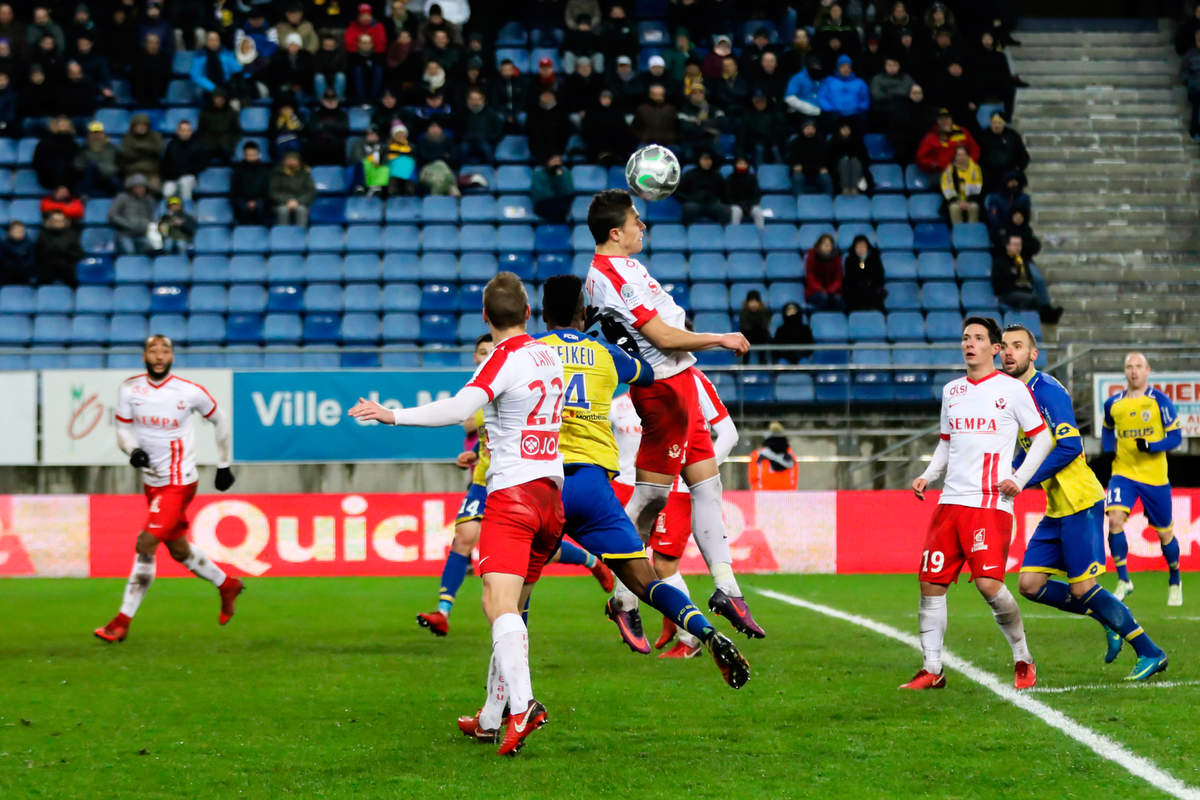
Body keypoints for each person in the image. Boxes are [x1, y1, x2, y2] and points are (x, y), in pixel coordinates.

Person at [348, 273, 564, 757]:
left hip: (513, 495)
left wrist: (393, 415)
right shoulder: (549, 354)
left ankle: (523, 706)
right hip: (553, 492)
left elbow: (461, 407)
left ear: (485, 318)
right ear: (528, 314)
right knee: (514, 609)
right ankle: (492, 717)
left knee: (497, 606)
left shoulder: (502, 358)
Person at [538, 277, 749, 673]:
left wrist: (396, 415)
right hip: (599, 486)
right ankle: (702, 631)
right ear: (583, 314)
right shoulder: (605, 359)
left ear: (541, 313)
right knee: (646, 573)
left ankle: (504, 703)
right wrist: (621, 340)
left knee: (511, 592)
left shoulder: (526, 352)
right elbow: (648, 374)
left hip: (543, 481)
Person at [584, 189, 764, 639]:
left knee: (708, 485)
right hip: (662, 389)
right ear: (615, 232)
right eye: (635, 221)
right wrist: (719, 338)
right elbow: (663, 337)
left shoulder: (624, 266)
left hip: (679, 382)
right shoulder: (610, 274)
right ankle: (625, 598)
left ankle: (726, 588)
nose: (642, 226)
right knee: (650, 499)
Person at [415, 333, 614, 638]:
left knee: (531, 554)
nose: (485, 356)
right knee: (463, 538)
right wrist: (471, 455)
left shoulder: (514, 381)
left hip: (519, 482)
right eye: (480, 352)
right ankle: (443, 612)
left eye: (489, 351)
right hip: (483, 481)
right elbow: (475, 432)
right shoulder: (477, 392)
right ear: (474, 356)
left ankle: (589, 561)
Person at [1001, 328, 1170, 682]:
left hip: (1080, 500)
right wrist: (1008, 469)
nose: (1008, 353)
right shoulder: (1016, 395)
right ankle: (1105, 618)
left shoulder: (1046, 391)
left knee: (1083, 588)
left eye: (1018, 346)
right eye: (1004, 347)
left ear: (1034, 354)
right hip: (1056, 506)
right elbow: (1029, 447)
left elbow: (1069, 447)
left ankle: (1150, 651)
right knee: (1030, 584)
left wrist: (1022, 479)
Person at [903, 316, 1053, 691]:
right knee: (930, 585)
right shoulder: (952, 391)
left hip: (989, 503)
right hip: (950, 502)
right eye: (965, 338)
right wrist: (929, 475)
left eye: (978, 338)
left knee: (988, 584)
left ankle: (1023, 657)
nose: (969, 344)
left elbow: (1043, 439)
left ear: (995, 348)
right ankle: (932, 668)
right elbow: (946, 442)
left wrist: (1018, 480)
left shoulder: (1012, 390)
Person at [94, 335, 241, 644]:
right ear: (144, 356)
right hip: (153, 483)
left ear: (172, 356)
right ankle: (226, 583)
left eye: (165, 350)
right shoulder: (129, 389)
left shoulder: (188, 392)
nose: (159, 355)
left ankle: (120, 622)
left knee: (145, 542)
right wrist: (132, 450)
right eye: (152, 350)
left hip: (180, 482)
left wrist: (224, 464)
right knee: (178, 550)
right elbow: (122, 428)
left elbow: (220, 419)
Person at [1103, 352, 1184, 606]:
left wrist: (1151, 445)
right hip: (1123, 474)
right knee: (1114, 519)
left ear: (1147, 370)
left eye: (1138, 366)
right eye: (1129, 366)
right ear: (1124, 371)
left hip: (1154, 478)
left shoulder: (1159, 401)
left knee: (1165, 534)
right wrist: (1109, 449)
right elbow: (1107, 427)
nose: (1134, 371)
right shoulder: (1113, 403)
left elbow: (1176, 437)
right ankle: (1124, 580)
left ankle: (1175, 579)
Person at [992, 234, 1062, 323]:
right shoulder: (1000, 262)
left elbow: (1028, 278)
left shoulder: (1022, 261)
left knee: (1037, 294)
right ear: (1008, 246)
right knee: (1033, 299)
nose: (1017, 248)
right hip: (1006, 294)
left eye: (1019, 245)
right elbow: (998, 285)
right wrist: (1014, 279)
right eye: (1015, 245)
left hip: (1022, 291)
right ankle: (1046, 317)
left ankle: (1048, 314)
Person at [977, 112, 1030, 194]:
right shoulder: (983, 136)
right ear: (990, 123)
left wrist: (1017, 170)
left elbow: (1024, 157)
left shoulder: (1013, 136)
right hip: (989, 174)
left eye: (999, 123)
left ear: (1004, 123)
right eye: (994, 123)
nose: (996, 126)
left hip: (1009, 173)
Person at [916, 108, 979, 174]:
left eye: (947, 118)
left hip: (964, 168)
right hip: (941, 173)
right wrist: (936, 164)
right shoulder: (930, 137)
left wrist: (969, 161)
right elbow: (920, 158)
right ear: (937, 121)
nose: (945, 121)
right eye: (941, 119)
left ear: (951, 119)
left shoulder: (962, 132)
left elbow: (975, 149)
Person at [676, 152, 731, 225]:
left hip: (712, 204)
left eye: (709, 159)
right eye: (704, 159)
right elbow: (679, 192)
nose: (707, 162)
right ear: (699, 160)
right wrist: (690, 198)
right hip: (694, 203)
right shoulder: (689, 174)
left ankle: (722, 234)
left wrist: (714, 198)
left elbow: (723, 193)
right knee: (689, 208)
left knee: (725, 210)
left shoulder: (717, 175)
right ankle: (686, 233)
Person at [817, 54, 870, 130]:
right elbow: (822, 97)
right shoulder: (829, 81)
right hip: (834, 117)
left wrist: (860, 110)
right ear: (838, 68)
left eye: (848, 67)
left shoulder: (859, 82)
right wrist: (830, 110)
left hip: (854, 117)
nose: (846, 69)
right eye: (843, 66)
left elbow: (865, 99)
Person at [108, 174, 156, 255]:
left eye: (142, 187)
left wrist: (147, 224)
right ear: (131, 188)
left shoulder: (149, 200)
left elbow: (152, 216)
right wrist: (127, 224)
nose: (140, 190)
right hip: (125, 234)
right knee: (129, 251)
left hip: (143, 234)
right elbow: (112, 215)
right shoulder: (122, 198)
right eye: (137, 187)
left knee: (151, 248)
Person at [33, 209, 82, 286]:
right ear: (50, 221)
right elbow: (38, 253)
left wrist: (63, 253)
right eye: (55, 220)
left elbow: (78, 254)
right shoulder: (43, 234)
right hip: (47, 266)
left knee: (73, 280)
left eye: (60, 220)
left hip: (66, 265)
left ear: (65, 222)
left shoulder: (72, 235)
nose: (57, 223)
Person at [161, 121, 207, 203]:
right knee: (167, 191)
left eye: (187, 130)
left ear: (191, 132)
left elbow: (202, 164)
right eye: (182, 130)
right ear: (177, 131)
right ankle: (171, 213)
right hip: (173, 178)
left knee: (185, 183)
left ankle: (186, 209)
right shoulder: (171, 145)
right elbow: (165, 164)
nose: (185, 133)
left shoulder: (198, 146)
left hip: (190, 178)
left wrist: (186, 171)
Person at [118, 114, 165, 192]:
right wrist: (148, 151)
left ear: (148, 126)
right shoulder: (127, 137)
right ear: (133, 126)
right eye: (138, 125)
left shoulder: (155, 136)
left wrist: (138, 148)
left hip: (151, 174)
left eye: (144, 125)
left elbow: (159, 150)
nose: (141, 127)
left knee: (156, 190)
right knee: (126, 190)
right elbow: (127, 154)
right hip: (132, 174)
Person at [269, 150, 317, 226]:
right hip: (282, 203)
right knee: (283, 210)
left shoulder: (305, 174)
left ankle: (301, 233)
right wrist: (286, 201)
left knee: (302, 210)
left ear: (299, 161)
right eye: (289, 160)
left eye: (294, 160)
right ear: (284, 161)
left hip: (300, 202)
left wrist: (298, 201)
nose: (291, 162)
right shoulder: (277, 173)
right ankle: (283, 234)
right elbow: (272, 192)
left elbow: (311, 191)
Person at [748, 421, 798, 491]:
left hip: (762, 495)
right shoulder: (791, 456)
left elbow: (753, 479)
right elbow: (794, 480)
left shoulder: (757, 455)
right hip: (786, 496)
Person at [196, 89, 241, 165]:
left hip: (226, 144)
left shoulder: (232, 112)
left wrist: (231, 142)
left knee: (229, 155)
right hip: (209, 144)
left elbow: (237, 131)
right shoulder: (205, 112)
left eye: (221, 98)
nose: (219, 101)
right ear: (212, 99)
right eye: (216, 98)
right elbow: (200, 131)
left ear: (225, 99)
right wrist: (205, 142)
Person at [33, 115, 79, 191]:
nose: (63, 125)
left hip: (69, 182)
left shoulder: (73, 144)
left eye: (66, 123)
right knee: (58, 161)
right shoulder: (44, 142)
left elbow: (76, 165)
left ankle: (64, 188)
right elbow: (37, 162)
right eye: (61, 123)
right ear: (54, 125)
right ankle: (60, 188)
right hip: (48, 178)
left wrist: (66, 184)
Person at [788, 118, 832, 196]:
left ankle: (829, 201)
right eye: (807, 128)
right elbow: (793, 160)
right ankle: (799, 202)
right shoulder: (796, 142)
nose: (810, 130)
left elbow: (825, 160)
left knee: (825, 177)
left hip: (817, 173)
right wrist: (796, 166)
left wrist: (822, 167)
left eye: (812, 128)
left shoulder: (821, 142)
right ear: (803, 129)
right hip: (803, 173)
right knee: (797, 177)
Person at [459, 88, 503, 164]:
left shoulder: (491, 113)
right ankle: (461, 172)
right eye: (472, 99)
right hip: (467, 142)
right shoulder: (462, 114)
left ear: (483, 100)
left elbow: (499, 131)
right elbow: (457, 130)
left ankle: (492, 170)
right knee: (462, 148)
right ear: (467, 100)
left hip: (486, 141)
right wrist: (464, 138)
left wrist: (489, 139)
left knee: (487, 149)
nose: (475, 102)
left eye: (477, 99)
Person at [843, 234, 886, 312]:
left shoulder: (875, 258)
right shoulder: (849, 260)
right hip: (856, 290)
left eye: (863, 246)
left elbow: (880, 276)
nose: (860, 249)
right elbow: (848, 278)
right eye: (858, 247)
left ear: (867, 247)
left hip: (872, 288)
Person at [306, 89, 350, 166]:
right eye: (327, 98)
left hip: (336, 148)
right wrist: (333, 127)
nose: (330, 101)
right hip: (318, 148)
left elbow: (344, 130)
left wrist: (324, 126)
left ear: (337, 100)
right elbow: (313, 129)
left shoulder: (343, 114)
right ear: (322, 100)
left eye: (333, 98)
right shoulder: (315, 114)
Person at [941, 144, 982, 224]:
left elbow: (977, 186)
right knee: (954, 208)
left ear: (968, 155)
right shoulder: (949, 170)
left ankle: (972, 232)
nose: (961, 157)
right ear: (955, 156)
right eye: (959, 155)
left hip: (970, 198)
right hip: (955, 200)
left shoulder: (975, 169)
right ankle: (958, 233)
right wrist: (958, 201)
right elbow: (947, 189)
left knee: (974, 207)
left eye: (964, 154)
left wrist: (968, 201)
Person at [232, 141, 271, 225]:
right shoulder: (238, 170)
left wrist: (256, 201)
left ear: (258, 154)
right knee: (241, 207)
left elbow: (267, 190)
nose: (251, 157)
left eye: (253, 155)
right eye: (249, 155)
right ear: (244, 155)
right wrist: (247, 202)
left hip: (260, 200)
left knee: (262, 206)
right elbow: (234, 190)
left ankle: (261, 232)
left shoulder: (264, 170)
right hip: (242, 200)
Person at [190, 31, 239, 97]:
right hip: (207, 88)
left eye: (216, 40)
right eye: (211, 40)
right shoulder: (200, 56)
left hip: (225, 86)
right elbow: (196, 76)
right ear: (206, 42)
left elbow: (237, 69)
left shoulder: (227, 54)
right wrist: (213, 88)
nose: (214, 42)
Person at [826, 121, 869, 195]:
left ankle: (854, 188)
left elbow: (864, 158)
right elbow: (830, 159)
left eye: (847, 129)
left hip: (857, 169)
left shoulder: (857, 141)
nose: (846, 131)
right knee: (844, 162)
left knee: (854, 161)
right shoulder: (833, 141)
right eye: (843, 129)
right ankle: (845, 188)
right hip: (837, 170)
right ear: (839, 130)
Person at [531, 154, 573, 223]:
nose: (555, 163)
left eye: (557, 160)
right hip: (544, 205)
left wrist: (558, 176)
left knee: (563, 208)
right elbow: (541, 195)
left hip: (561, 205)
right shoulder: (538, 174)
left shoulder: (565, 174)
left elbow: (568, 192)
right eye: (553, 160)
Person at [805, 233, 843, 310]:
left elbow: (838, 277)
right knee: (823, 298)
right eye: (824, 244)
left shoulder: (836, 258)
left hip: (832, 291)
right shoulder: (812, 256)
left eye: (829, 244)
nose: (827, 246)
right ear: (819, 245)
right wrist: (821, 289)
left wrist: (832, 289)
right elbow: (810, 277)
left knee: (839, 300)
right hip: (814, 291)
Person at [0, 220, 35, 285]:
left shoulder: (30, 244)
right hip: (7, 275)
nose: (18, 233)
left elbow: (31, 260)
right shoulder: (3, 244)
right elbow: (3, 260)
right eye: (15, 231)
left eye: (21, 231)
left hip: (25, 275)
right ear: (9, 232)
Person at [738, 289, 771, 356]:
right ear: (747, 302)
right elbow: (744, 327)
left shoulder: (764, 312)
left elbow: (764, 326)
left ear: (759, 302)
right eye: (751, 301)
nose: (753, 304)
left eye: (755, 301)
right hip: (748, 336)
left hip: (761, 336)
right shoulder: (743, 312)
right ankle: (745, 363)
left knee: (763, 336)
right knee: (744, 338)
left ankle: (763, 362)